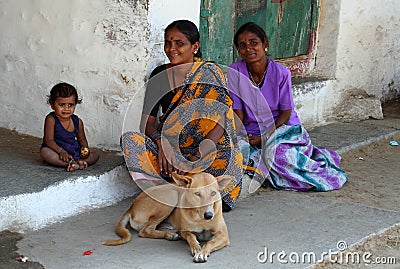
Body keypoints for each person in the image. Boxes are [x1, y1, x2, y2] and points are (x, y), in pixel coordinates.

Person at [121, 19, 243, 211]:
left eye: (179, 43)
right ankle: (172, 191)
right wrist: (162, 144)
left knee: (233, 158)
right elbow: (146, 124)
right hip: (169, 152)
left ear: (195, 46)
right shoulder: (159, 75)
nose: (171, 49)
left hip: (203, 153)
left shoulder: (210, 73)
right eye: (168, 43)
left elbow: (220, 123)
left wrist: (196, 156)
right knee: (130, 140)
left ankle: (185, 191)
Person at [228, 22, 347, 191]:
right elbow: (238, 112)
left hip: (282, 128)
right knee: (234, 152)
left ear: (265, 44)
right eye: (242, 45)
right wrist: (237, 134)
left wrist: (265, 137)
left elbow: (285, 113)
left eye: (254, 43)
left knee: (277, 156)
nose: (248, 49)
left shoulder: (281, 73)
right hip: (250, 131)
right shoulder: (236, 71)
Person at [40, 82, 99, 171]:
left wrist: (85, 149)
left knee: (95, 154)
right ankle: (71, 163)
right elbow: (48, 140)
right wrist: (61, 152)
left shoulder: (77, 121)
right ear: (52, 105)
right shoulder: (51, 119)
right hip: (56, 150)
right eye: (62, 105)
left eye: (70, 105)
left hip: (73, 150)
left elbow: (82, 139)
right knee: (45, 153)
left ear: (75, 104)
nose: (66, 109)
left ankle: (78, 161)